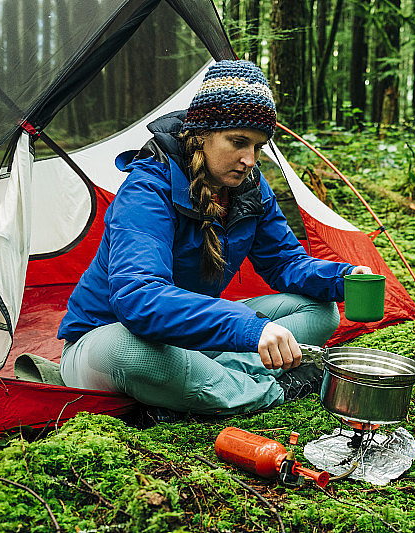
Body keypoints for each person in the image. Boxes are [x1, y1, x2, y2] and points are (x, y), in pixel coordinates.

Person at [57, 59, 371, 418]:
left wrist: (341, 279)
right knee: (128, 350)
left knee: (320, 310)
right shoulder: (148, 187)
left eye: (258, 146)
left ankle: (197, 390)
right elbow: (139, 298)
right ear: (201, 134)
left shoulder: (250, 188)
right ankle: (270, 390)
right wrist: (249, 328)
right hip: (107, 342)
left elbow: (284, 262)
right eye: (238, 142)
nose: (250, 159)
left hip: (192, 341)